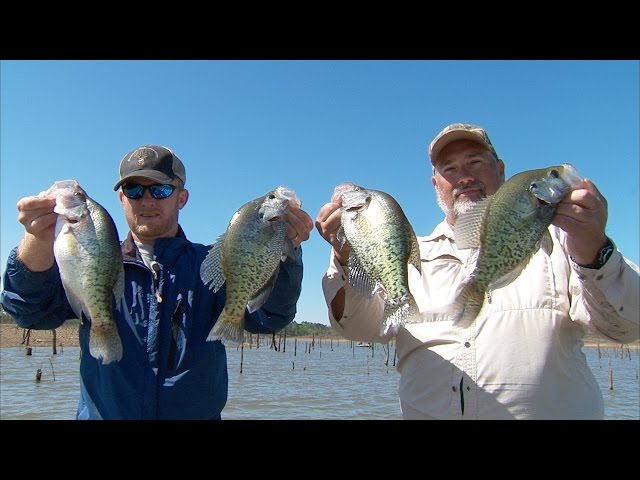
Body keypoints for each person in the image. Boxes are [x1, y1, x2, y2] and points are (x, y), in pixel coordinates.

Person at [315, 123, 640, 420]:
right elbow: (360, 330)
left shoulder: (560, 244)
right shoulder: (411, 254)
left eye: (475, 162)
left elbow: (627, 328)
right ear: (436, 183)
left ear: (500, 170)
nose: (464, 176)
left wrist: (593, 248)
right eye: (450, 168)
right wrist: (346, 254)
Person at [1, 144, 314, 420]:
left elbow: (268, 317)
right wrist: (35, 239)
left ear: (182, 198)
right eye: (135, 190)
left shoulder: (212, 264)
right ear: (122, 198)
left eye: (160, 190)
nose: (146, 200)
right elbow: (30, 312)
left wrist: (286, 252)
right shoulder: (89, 256)